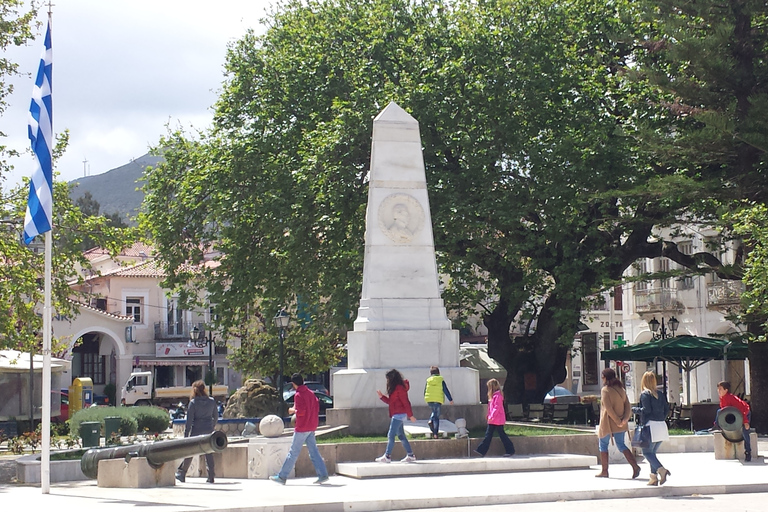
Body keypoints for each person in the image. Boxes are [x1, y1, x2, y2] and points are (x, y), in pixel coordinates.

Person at [270, 373, 330, 484]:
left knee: (293, 453)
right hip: (311, 426)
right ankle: (323, 474)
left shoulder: (298, 395)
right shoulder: (311, 393)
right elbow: (315, 407)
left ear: (293, 384)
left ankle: (282, 476)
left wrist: (292, 411)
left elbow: (301, 412)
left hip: (302, 427)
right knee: (314, 452)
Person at [595, 368, 640, 479]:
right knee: (621, 445)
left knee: (603, 445)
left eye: (603, 376)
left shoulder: (605, 390)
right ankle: (635, 466)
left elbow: (608, 408)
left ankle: (604, 471)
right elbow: (628, 406)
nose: (602, 378)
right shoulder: (621, 389)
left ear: (606, 377)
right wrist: (624, 420)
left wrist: (617, 421)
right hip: (621, 423)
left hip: (608, 423)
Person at [175, 380, 218, 483]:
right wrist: (211, 426)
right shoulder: (211, 401)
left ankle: (182, 473)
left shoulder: (193, 403)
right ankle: (211, 476)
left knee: (190, 452)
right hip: (208, 429)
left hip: (196, 430)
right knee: (209, 453)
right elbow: (216, 417)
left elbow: (189, 421)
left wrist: (186, 435)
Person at [632, 371, 670, 485]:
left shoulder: (645, 394)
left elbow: (646, 410)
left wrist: (634, 410)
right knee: (652, 452)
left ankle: (661, 470)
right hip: (661, 426)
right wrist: (660, 418)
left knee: (647, 453)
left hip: (650, 426)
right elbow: (666, 409)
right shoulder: (660, 394)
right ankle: (653, 477)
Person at [375, 369, 417, 463]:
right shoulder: (396, 388)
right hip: (397, 414)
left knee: (391, 434)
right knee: (401, 435)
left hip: (399, 414)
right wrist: (382, 397)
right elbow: (391, 402)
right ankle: (410, 455)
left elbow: (406, 402)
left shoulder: (399, 388)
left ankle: (387, 456)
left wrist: (411, 415)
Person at [473, 378, 515, 457]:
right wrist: (488, 415)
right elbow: (491, 408)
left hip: (496, 419)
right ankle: (481, 451)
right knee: (489, 435)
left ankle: (510, 450)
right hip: (493, 419)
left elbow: (496, 407)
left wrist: (491, 416)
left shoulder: (497, 396)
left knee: (499, 435)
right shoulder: (494, 396)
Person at [716, 380, 752, 462]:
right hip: (736, 414)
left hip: (745, 412)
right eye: (718, 389)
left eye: (720, 389)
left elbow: (743, 409)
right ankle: (716, 425)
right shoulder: (722, 398)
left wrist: (745, 422)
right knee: (719, 411)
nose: (719, 391)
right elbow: (723, 410)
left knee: (745, 433)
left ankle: (748, 452)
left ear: (726, 390)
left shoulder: (732, 399)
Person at [424, 366, 453, 439]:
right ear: (438, 372)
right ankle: (435, 434)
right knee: (436, 417)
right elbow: (445, 390)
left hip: (429, 399)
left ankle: (431, 421)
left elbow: (425, 390)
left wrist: (426, 397)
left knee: (434, 412)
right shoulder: (441, 380)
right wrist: (450, 399)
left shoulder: (428, 380)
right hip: (437, 400)